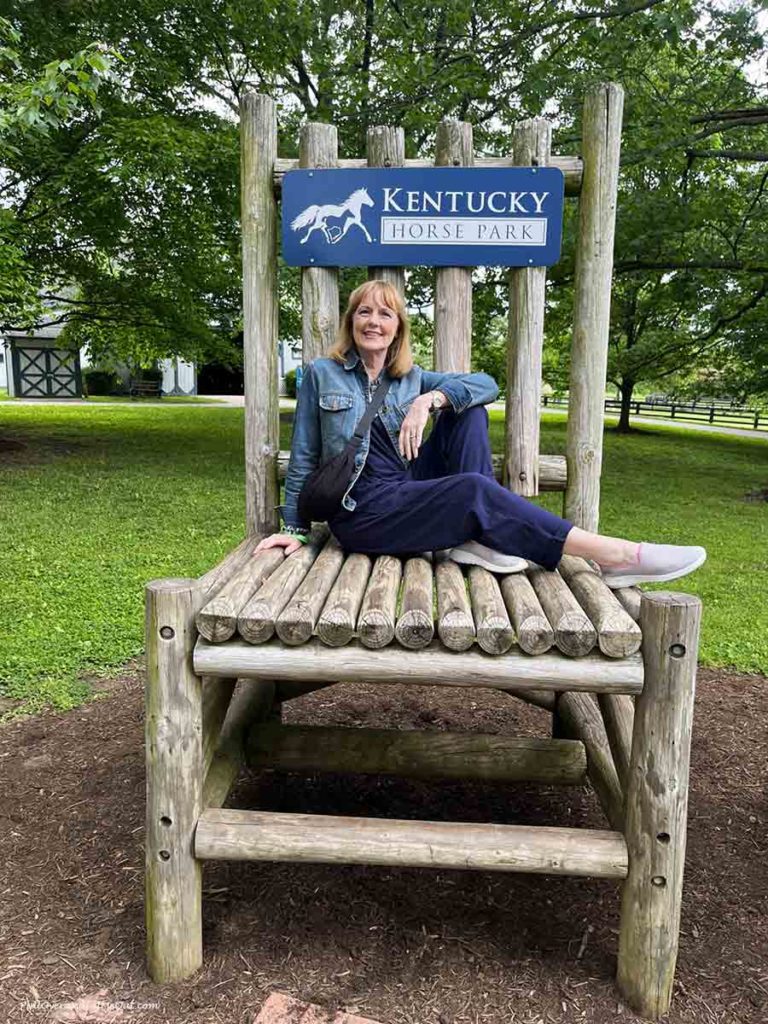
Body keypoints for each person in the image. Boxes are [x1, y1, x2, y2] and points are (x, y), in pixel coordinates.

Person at [255, 279, 706, 589]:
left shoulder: (411, 379)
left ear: (398, 329)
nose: (374, 321)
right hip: (362, 512)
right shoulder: (319, 374)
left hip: (402, 487)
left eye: (386, 314)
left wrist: (430, 400)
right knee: (472, 487)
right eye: (364, 312)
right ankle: (616, 555)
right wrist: (293, 529)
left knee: (466, 409)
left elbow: (485, 383)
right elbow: (305, 456)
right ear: (351, 322)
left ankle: (479, 540)